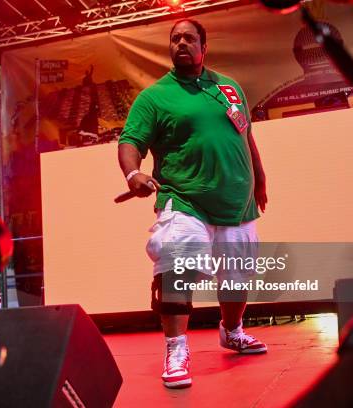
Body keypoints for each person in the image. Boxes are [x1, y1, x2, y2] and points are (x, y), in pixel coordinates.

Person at [118, 18, 268, 389]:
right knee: (176, 262)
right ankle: (176, 348)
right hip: (184, 200)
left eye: (189, 38)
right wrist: (132, 174)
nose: (181, 43)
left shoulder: (230, 88)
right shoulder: (154, 97)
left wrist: (260, 179)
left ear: (204, 47)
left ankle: (231, 332)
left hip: (238, 203)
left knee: (236, 280)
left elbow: (246, 137)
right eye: (175, 39)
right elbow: (130, 141)